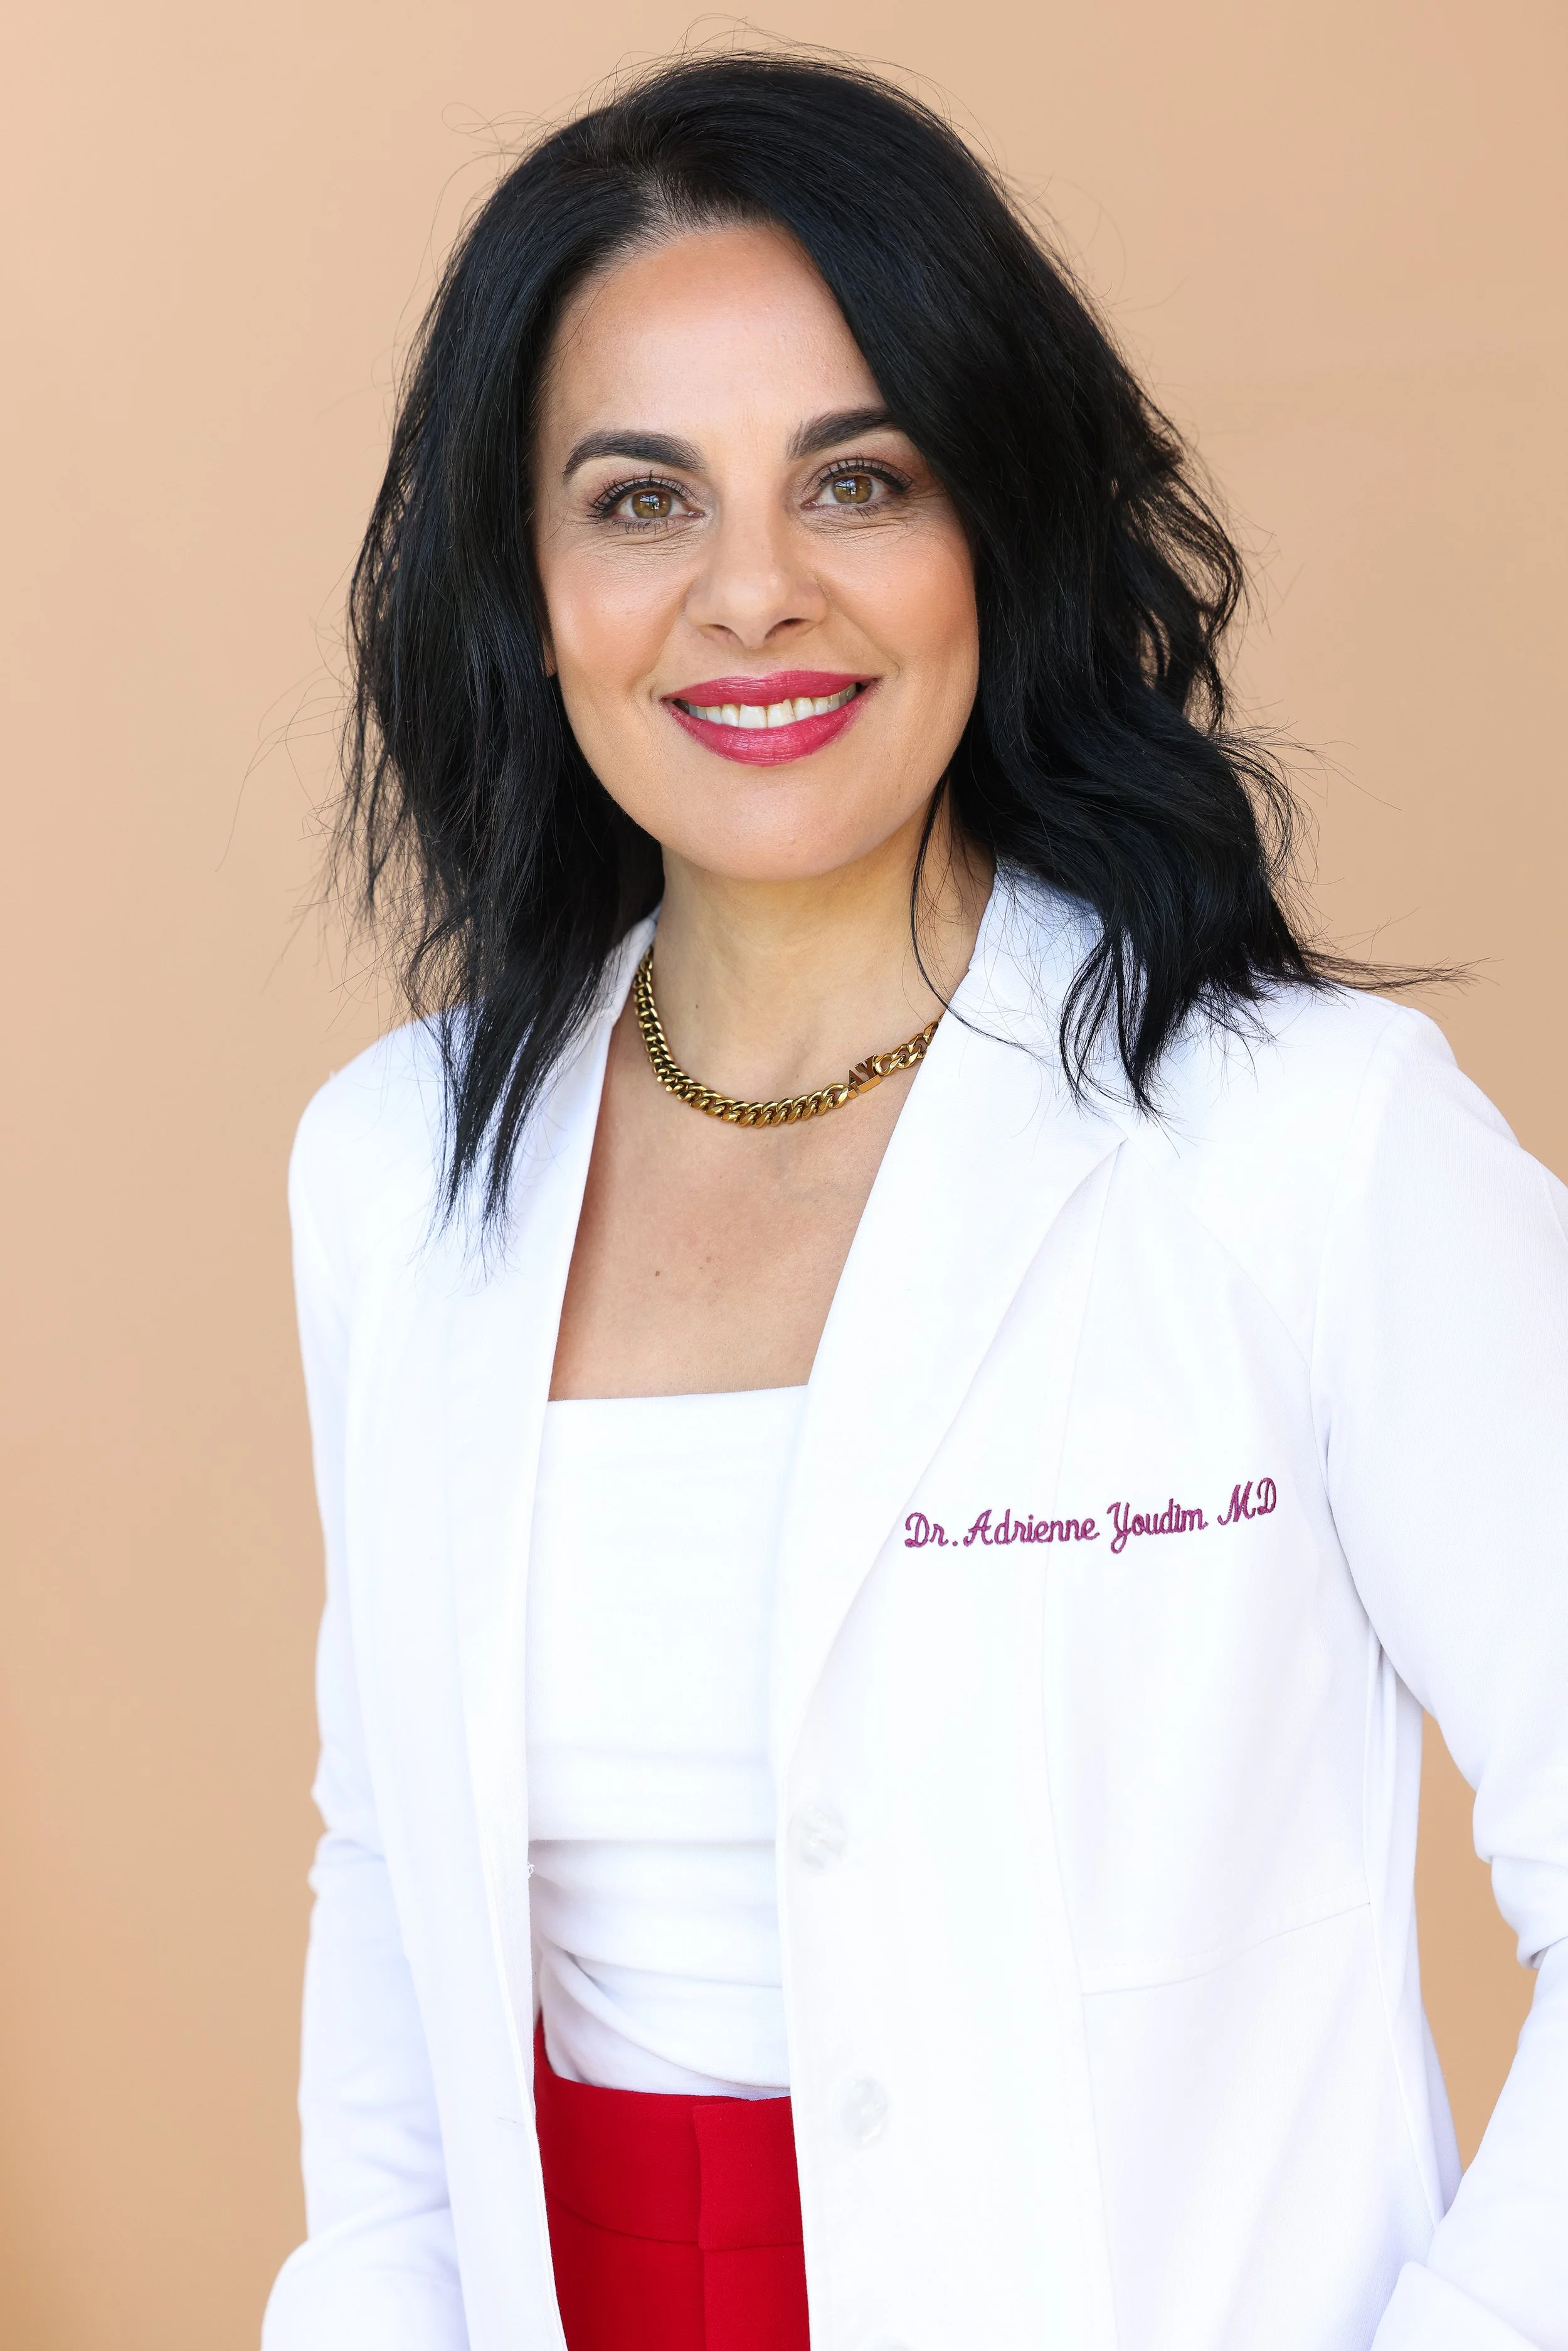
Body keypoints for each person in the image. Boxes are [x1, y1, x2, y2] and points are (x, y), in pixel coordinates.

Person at [262, 50, 1568, 2351]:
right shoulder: (394, 1169)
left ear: (997, 527)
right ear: (526, 585)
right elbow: (395, 1886)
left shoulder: (1311, 1143)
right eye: (640, 501)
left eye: (855, 480)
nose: (751, 595)